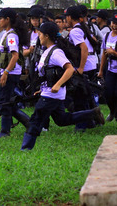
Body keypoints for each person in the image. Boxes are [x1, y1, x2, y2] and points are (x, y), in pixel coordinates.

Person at [21, 22, 105, 151]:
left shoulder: (56, 52)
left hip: (52, 95)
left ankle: (25, 149)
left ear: (47, 36)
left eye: (41, 34)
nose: (39, 36)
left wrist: (58, 85)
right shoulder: (47, 51)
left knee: (35, 121)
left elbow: (69, 69)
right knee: (62, 120)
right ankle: (92, 113)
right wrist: (42, 89)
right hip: (49, 92)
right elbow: (48, 75)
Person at [0, 8, 30, 138]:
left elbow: (15, 56)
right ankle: (29, 123)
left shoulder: (11, 36)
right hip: (7, 71)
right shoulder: (6, 33)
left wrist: (6, 72)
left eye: (1, 18)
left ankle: (5, 131)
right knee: (7, 101)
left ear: (7, 20)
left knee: (4, 101)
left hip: (11, 72)